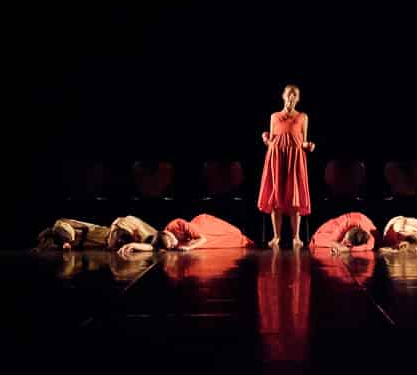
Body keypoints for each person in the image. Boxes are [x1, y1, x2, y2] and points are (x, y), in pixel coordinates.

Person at [257, 84, 315, 249]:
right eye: (289, 93)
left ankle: (296, 237)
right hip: (276, 158)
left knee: (294, 197)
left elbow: (303, 139)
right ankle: (276, 236)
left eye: (295, 95)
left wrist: (308, 145)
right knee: (276, 197)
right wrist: (266, 139)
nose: (292, 97)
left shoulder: (303, 117)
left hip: (295, 159)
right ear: (283, 96)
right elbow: (271, 140)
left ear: (298, 99)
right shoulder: (274, 116)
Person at [118, 214, 255, 257]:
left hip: (203, 229)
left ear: (168, 234)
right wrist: (133, 245)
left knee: (233, 236)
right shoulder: (162, 239)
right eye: (172, 246)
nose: (175, 244)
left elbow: (203, 238)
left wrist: (189, 248)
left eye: (172, 241)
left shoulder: (178, 224)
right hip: (195, 239)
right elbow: (154, 247)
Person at [308, 212, 379, 255]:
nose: (343, 242)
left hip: (363, 227)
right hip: (340, 223)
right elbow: (333, 239)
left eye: (346, 242)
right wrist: (337, 244)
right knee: (319, 238)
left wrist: (347, 249)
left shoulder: (371, 239)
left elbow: (368, 247)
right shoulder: (350, 222)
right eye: (345, 239)